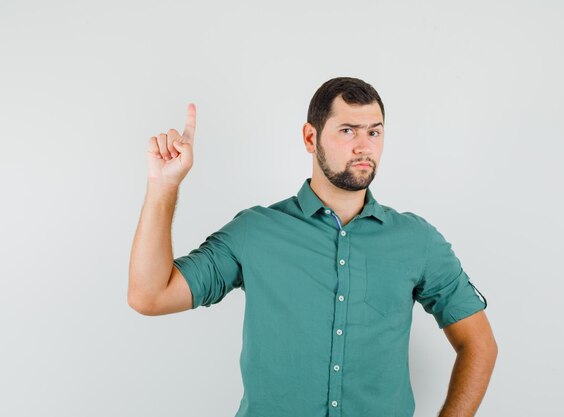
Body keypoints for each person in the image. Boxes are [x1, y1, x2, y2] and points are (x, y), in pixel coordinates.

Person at [128, 77, 498, 417]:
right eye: (347, 130)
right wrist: (164, 187)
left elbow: (479, 344)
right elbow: (150, 296)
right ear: (310, 138)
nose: (364, 146)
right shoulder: (256, 232)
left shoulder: (418, 241)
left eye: (374, 131)